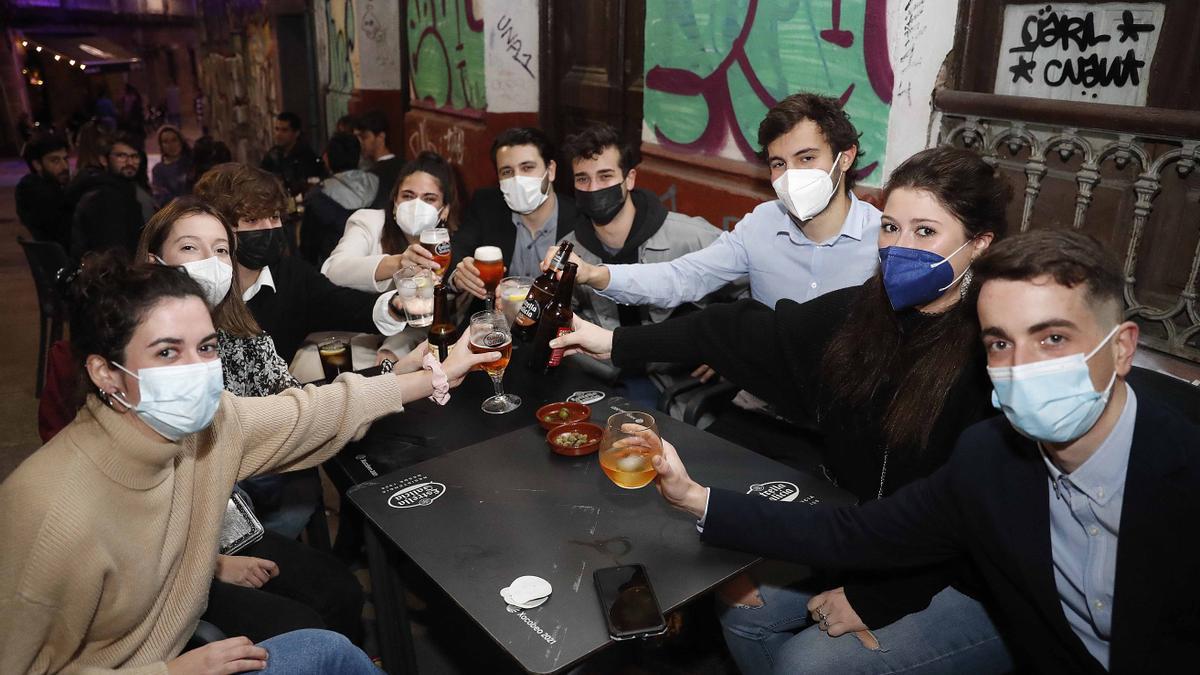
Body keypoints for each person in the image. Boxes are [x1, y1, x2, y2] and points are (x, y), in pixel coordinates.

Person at [644, 229, 1199, 673]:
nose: (1022, 364)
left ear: (1122, 348)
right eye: (1000, 343)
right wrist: (695, 498)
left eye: (1053, 338)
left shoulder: (1183, 473)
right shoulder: (990, 457)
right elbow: (860, 536)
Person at [552, 147, 1015, 673]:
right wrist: (610, 343)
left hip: (961, 577)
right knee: (743, 612)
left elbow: (961, 526)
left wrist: (875, 601)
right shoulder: (866, 313)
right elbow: (732, 330)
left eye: (925, 232)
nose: (900, 248)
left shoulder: (995, 354)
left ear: (979, 244)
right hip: (866, 537)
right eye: (890, 227)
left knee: (807, 664)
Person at [0, 252, 498, 673]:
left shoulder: (207, 428)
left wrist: (437, 372)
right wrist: (170, 672)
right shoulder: (45, 510)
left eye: (207, 347)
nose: (197, 372)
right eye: (167, 352)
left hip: (178, 651)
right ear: (106, 374)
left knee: (330, 649)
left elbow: (311, 412)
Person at [134, 196, 366, 642]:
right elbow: (156, 490)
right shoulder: (138, 350)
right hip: (166, 556)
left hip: (233, 520)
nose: (210, 263)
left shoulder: (241, 334)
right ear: (154, 261)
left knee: (340, 591)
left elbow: (293, 407)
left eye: (221, 250)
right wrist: (212, 564)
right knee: (302, 627)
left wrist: (385, 387)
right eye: (190, 249)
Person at [193, 162, 407, 364]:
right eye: (251, 220)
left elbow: (349, 306)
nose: (269, 227)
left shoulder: (292, 276)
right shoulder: (195, 285)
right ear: (218, 226)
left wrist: (398, 306)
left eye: (274, 217)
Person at [556, 123, 726, 331]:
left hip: (680, 363)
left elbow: (746, 289)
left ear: (629, 179)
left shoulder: (692, 238)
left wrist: (720, 354)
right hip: (606, 363)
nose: (593, 188)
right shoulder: (571, 252)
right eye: (583, 179)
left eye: (605, 176)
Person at [322, 151, 456, 293]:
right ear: (395, 201)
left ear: (445, 210)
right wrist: (397, 264)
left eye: (429, 199)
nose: (416, 206)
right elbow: (332, 271)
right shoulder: (368, 222)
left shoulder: (448, 246)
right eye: (408, 196)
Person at [301, 132, 379, 266]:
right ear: (359, 156)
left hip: (335, 270)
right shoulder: (380, 184)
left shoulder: (318, 197)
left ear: (327, 159)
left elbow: (308, 249)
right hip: (377, 264)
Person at [69, 131, 148, 260]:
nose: (129, 162)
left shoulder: (125, 189)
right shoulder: (105, 196)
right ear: (104, 160)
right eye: (121, 156)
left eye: (134, 156)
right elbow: (112, 252)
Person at [15, 135, 73, 248]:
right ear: (37, 165)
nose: (65, 166)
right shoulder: (43, 197)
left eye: (65, 159)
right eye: (55, 161)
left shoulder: (35, 189)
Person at [261, 111, 326, 196]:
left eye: (284, 130)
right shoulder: (272, 155)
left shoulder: (307, 157)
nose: (278, 134)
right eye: (277, 129)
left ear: (296, 133)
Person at [352, 110, 402, 209]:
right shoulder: (404, 165)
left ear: (380, 137)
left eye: (364, 137)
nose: (360, 143)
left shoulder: (371, 176)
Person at [151, 124, 193, 206]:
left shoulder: (192, 163)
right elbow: (160, 198)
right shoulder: (158, 170)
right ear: (161, 146)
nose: (171, 145)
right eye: (165, 142)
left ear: (181, 141)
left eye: (174, 140)